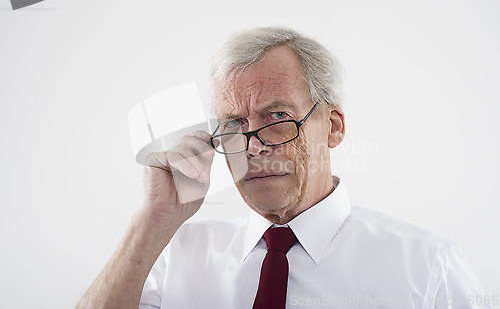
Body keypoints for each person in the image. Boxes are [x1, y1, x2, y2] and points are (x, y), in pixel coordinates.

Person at [76, 27, 489, 309]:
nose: (253, 146)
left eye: (276, 116)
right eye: (234, 124)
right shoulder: (174, 258)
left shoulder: (428, 268)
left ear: (333, 126)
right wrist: (152, 222)